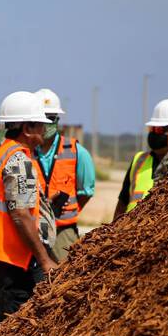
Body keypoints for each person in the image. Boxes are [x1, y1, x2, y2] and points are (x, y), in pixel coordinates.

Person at [0, 91, 58, 329]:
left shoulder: (3, 153)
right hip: (14, 258)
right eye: (41, 125)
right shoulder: (18, 160)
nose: (44, 131)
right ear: (27, 127)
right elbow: (21, 214)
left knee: (1, 320)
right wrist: (44, 260)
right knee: (17, 325)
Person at [35, 88, 95, 263]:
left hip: (63, 232)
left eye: (51, 118)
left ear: (58, 120)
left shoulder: (77, 152)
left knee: (64, 280)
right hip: (31, 231)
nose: (46, 123)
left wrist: (65, 213)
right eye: (42, 118)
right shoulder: (24, 151)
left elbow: (86, 192)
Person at [117, 98, 168, 217]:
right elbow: (122, 203)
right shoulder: (139, 160)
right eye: (152, 129)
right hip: (131, 232)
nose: (154, 134)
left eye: (160, 130)